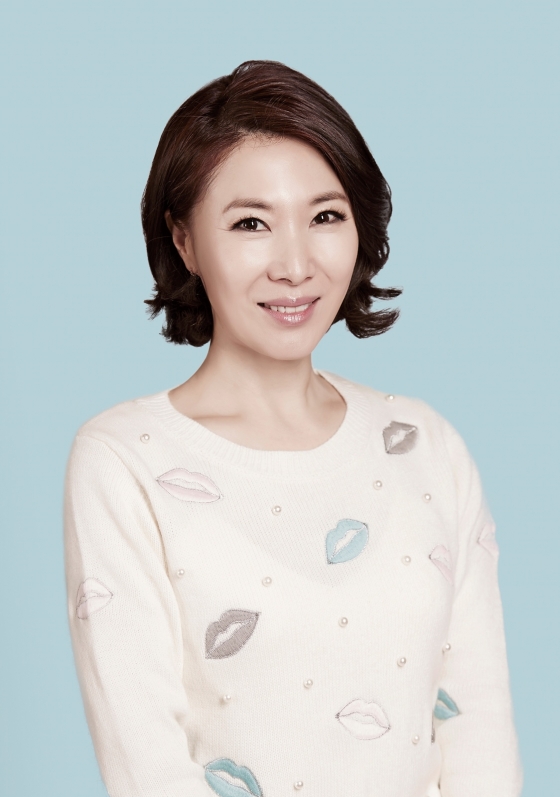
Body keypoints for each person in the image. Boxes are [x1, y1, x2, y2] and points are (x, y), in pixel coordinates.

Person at [64, 60, 522, 797]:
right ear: (183, 240)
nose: (296, 264)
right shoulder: (124, 461)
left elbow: (479, 735)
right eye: (251, 223)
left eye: (325, 216)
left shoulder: (426, 445)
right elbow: (148, 765)